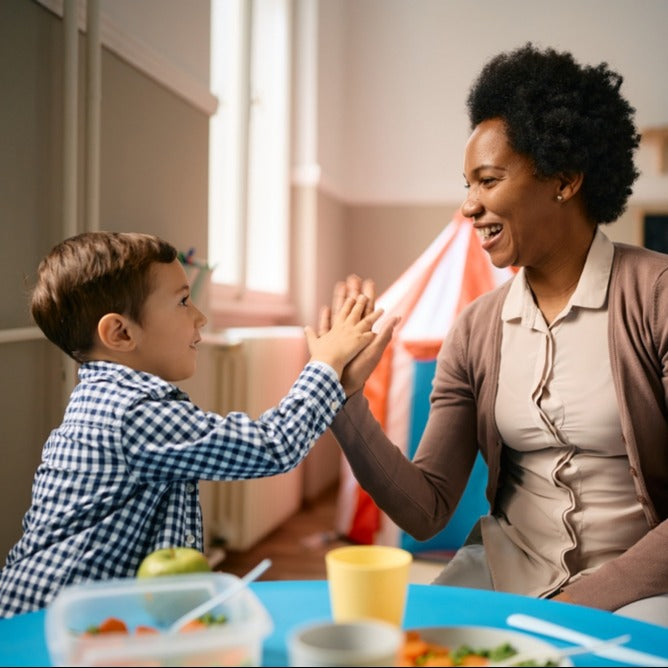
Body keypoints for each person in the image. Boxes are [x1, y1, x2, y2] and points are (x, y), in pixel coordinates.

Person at [320, 43, 668, 627]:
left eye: (487, 180)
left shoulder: (655, 296)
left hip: (640, 587)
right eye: (467, 185)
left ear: (564, 179)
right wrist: (344, 399)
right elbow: (427, 508)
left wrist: (573, 610)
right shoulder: (477, 328)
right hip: (503, 575)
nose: (468, 206)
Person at [0, 231, 398, 618]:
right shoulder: (132, 414)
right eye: (184, 301)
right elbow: (274, 445)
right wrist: (325, 364)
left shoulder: (111, 401)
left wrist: (336, 375)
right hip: (46, 621)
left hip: (78, 615)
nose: (201, 316)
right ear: (120, 332)